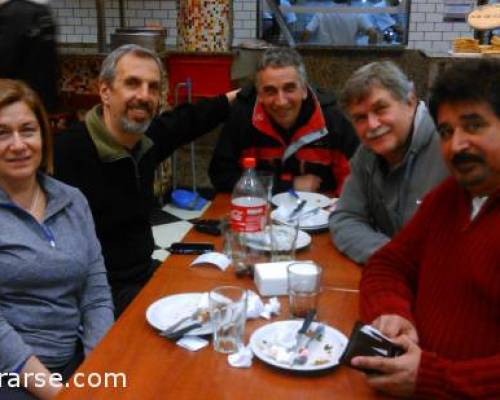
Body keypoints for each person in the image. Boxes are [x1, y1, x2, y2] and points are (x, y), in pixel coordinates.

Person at [351, 58, 500, 398]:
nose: (456, 145)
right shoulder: (450, 197)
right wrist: (391, 311)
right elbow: (388, 264)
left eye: (473, 125)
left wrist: (431, 378)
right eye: (446, 132)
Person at [53, 44, 238, 317]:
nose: (144, 95)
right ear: (105, 91)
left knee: (221, 297)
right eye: (132, 84)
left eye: (153, 87)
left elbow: (189, 120)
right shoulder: (67, 153)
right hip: (95, 293)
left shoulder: (144, 141)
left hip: (143, 273)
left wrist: (242, 95)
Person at [0, 79, 113, 399]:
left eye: (28, 130)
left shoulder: (72, 200)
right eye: (2, 133)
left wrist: (98, 368)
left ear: (43, 137)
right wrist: (57, 393)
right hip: (10, 374)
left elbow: (96, 294)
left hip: (74, 360)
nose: (18, 144)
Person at [329, 61, 448, 264]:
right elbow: (345, 218)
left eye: (381, 109)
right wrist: (395, 258)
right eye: (360, 118)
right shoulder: (366, 153)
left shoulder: (450, 148)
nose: (372, 125)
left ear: (410, 102)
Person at [209, 47, 359, 194]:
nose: (281, 102)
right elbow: (221, 176)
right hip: (259, 210)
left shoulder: (333, 120)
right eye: (270, 91)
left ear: (304, 90)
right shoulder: (243, 116)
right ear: (259, 94)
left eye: (289, 89)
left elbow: (356, 184)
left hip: (321, 214)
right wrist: (288, 186)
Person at [0, 0, 59, 112]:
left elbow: (6, 61)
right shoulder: (42, 12)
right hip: (42, 99)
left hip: (14, 99)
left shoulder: (12, 13)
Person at [301, 0, 378, 46]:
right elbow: (373, 34)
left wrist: (304, 52)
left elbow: (306, 33)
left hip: (325, 55)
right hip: (348, 55)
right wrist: (370, 52)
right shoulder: (357, 14)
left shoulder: (322, 12)